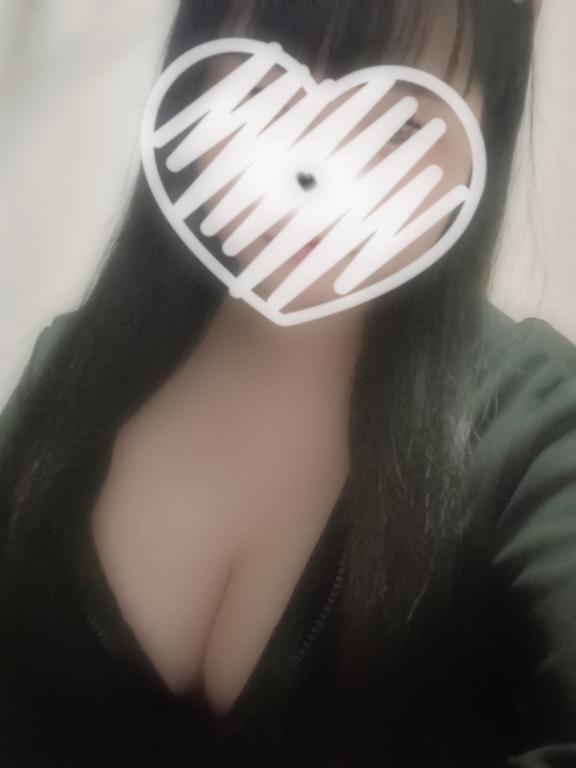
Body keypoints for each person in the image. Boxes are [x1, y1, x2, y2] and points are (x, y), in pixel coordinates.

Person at [1, 1, 575, 766]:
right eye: (260, 91)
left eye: (399, 126)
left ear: (483, 136)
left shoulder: (533, 417)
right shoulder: (73, 367)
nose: (313, 162)